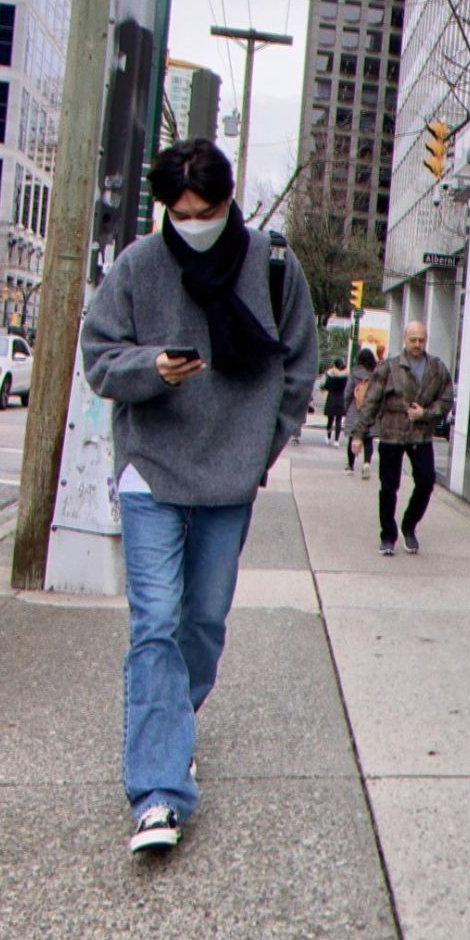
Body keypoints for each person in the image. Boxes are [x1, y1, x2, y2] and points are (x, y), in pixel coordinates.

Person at [81, 138, 318, 855]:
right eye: (180, 212)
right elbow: (99, 358)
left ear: (228, 201)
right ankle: (158, 790)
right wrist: (151, 366)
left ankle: (169, 728)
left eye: (207, 210)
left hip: (227, 480)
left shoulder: (273, 265)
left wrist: (257, 455)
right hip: (151, 471)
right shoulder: (138, 268)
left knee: (204, 625)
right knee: (155, 622)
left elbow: (299, 370)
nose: (193, 223)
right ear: (165, 209)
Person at [351, 321, 453, 555]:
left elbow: (446, 400)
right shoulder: (389, 368)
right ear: (405, 339)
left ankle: (409, 525)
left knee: (426, 481)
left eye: (421, 340)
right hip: (392, 433)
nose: (417, 344)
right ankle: (388, 535)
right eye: (413, 340)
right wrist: (358, 434)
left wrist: (425, 413)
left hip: (421, 435)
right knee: (388, 487)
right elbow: (371, 402)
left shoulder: (436, 368)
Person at [344, 346, 378, 478]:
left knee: (353, 438)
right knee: (368, 439)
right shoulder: (375, 375)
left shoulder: (354, 373)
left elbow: (348, 392)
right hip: (370, 410)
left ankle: (350, 466)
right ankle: (366, 464)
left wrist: (346, 407)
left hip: (355, 409)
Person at [320, 357, 348, 446]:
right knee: (339, 420)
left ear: (334, 366)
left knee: (330, 420)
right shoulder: (346, 376)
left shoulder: (331, 375)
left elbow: (326, 386)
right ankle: (336, 440)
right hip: (341, 398)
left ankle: (328, 437)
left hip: (332, 398)